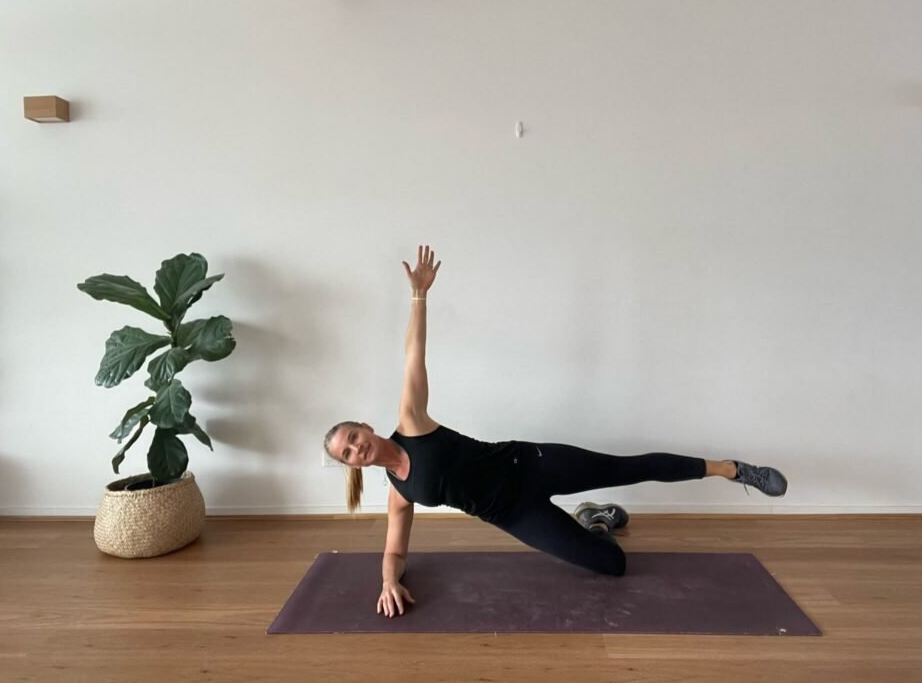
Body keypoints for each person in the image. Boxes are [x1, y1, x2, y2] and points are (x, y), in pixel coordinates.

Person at [324, 245, 788, 619]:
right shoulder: (398, 493)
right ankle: (597, 518)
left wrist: (419, 296)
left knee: (629, 468)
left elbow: (413, 355)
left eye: (352, 436)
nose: (356, 448)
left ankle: (732, 469)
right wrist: (389, 580)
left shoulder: (411, 422)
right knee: (613, 565)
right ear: (350, 463)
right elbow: (395, 552)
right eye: (347, 453)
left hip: (531, 464)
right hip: (514, 514)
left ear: (364, 426)